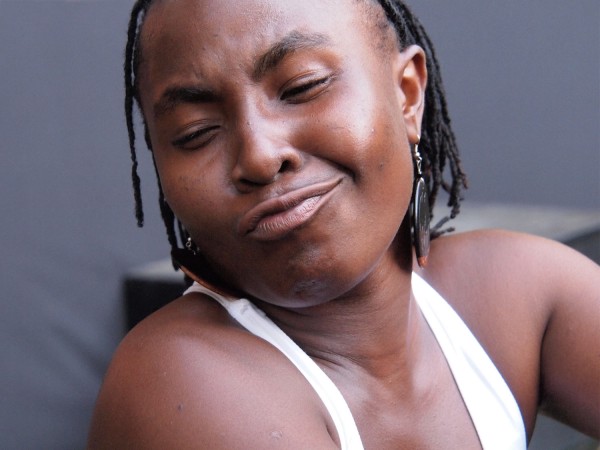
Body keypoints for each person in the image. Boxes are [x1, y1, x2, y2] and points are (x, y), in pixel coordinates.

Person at [87, 0, 600, 448]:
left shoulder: (515, 294)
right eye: (196, 133)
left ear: (407, 95)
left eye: (302, 86)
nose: (261, 156)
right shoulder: (179, 381)